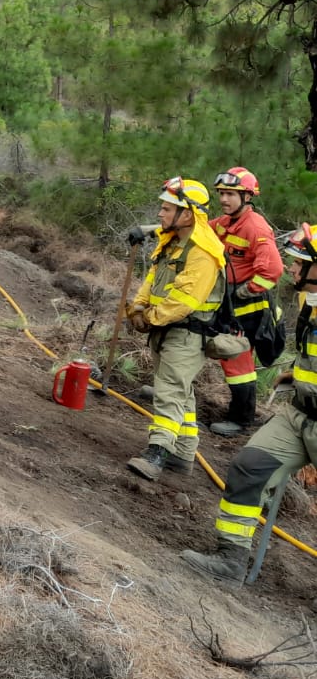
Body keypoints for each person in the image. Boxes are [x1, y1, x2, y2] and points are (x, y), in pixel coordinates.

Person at [180, 224, 317, 583]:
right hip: (299, 415)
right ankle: (231, 560)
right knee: (249, 467)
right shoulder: (310, 301)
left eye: (300, 262)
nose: (291, 268)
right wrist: (299, 376)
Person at [124, 177, 227, 481]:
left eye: (167, 208)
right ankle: (183, 453)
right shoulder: (173, 240)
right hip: (166, 330)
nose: (160, 213)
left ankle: (157, 454)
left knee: (169, 390)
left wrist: (150, 318)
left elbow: (184, 301)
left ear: (188, 214)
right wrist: (139, 307)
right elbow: (153, 277)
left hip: (186, 333)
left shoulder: (202, 252)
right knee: (182, 391)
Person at [207, 167, 284, 436]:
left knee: (237, 362)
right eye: (221, 193)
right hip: (225, 303)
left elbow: (272, 270)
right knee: (192, 340)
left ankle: (241, 419)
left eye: (230, 194)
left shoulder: (255, 227)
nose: (223, 199)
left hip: (246, 310)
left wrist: (243, 291)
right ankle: (172, 391)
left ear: (247, 196)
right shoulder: (224, 223)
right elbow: (197, 230)